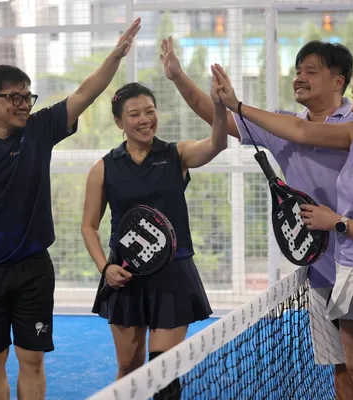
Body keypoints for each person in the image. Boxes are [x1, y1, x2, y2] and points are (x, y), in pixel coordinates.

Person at [160, 37, 353, 400]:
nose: (299, 78)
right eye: (297, 71)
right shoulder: (281, 125)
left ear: (339, 81)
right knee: (350, 374)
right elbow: (215, 111)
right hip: (325, 271)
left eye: (310, 71)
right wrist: (177, 77)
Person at [0, 18, 141, 400]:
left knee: (32, 359)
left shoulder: (38, 131)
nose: (24, 104)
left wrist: (116, 56)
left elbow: (85, 93)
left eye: (27, 96)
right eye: (14, 98)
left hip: (33, 270)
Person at [81, 70, 228, 398]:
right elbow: (88, 226)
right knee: (128, 370)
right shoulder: (103, 168)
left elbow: (217, 144)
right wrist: (105, 267)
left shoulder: (177, 154)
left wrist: (219, 107)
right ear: (120, 122)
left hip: (173, 276)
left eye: (150, 111)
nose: (145, 119)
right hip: (125, 277)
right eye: (134, 114)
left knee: (163, 374)